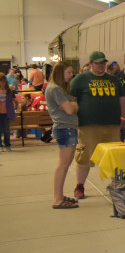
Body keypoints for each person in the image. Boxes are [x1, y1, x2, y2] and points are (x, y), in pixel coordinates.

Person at [69, 51, 125, 199]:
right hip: (88, 125)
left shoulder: (113, 79)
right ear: (91, 64)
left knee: (113, 157)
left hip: (112, 125)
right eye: (98, 63)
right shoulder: (80, 79)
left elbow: (122, 98)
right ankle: (80, 186)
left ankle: (116, 186)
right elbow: (72, 99)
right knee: (85, 157)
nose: (101, 65)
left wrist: (123, 117)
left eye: (103, 63)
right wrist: (73, 117)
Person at [45, 62, 80, 209]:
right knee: (63, 164)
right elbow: (70, 109)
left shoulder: (57, 88)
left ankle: (59, 195)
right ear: (60, 73)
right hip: (65, 128)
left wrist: (72, 104)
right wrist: (72, 104)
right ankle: (57, 199)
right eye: (69, 72)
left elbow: (74, 104)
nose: (71, 75)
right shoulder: (55, 89)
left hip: (67, 128)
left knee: (65, 164)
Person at [0, 75, 14, 151]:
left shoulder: (8, 91)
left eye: (4, 81)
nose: (2, 83)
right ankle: (0, 145)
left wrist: (12, 114)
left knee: (6, 131)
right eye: (1, 82)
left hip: (6, 113)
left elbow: (10, 104)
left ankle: (7, 144)